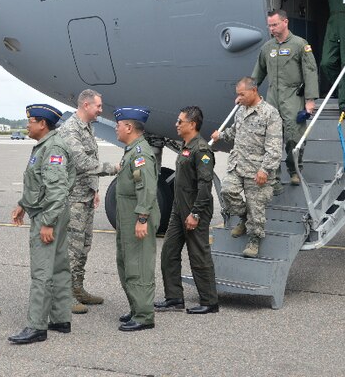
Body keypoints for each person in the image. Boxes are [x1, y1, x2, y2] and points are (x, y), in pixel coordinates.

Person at [9, 104, 75, 344]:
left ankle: (36, 326)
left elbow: (57, 192)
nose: (27, 126)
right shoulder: (46, 146)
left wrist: (47, 222)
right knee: (58, 267)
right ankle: (60, 319)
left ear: (42, 124)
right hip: (49, 212)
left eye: (30, 121)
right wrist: (23, 204)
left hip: (49, 215)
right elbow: (39, 184)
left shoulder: (53, 148)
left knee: (42, 272)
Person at [57, 89, 119, 314]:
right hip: (73, 199)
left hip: (85, 196)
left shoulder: (87, 128)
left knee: (83, 247)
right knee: (71, 249)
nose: (101, 110)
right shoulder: (70, 129)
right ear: (85, 105)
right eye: (98, 107)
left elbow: (90, 161)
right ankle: (65, 295)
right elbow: (82, 162)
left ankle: (77, 288)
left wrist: (94, 189)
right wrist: (114, 168)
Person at [155, 106, 219, 314]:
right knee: (169, 253)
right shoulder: (186, 146)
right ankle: (174, 298)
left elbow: (204, 185)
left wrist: (196, 213)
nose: (176, 124)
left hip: (194, 211)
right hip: (179, 209)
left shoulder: (201, 150)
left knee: (198, 256)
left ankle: (209, 301)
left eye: (180, 121)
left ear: (192, 124)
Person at [211, 77, 282, 258]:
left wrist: (265, 169)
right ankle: (244, 217)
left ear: (254, 90)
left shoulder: (270, 114)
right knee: (227, 191)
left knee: (256, 207)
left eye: (242, 94)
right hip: (238, 164)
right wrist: (221, 135)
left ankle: (254, 239)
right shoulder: (241, 111)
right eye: (238, 95)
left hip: (257, 170)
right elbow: (235, 131)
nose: (238, 98)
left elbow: (274, 147)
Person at [252, 9, 318, 188]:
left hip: (293, 97)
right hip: (273, 97)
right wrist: (247, 93)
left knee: (293, 137)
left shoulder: (299, 45)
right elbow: (258, 72)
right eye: (269, 25)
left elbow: (310, 72)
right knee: (271, 139)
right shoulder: (268, 48)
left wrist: (310, 100)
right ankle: (274, 176)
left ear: (285, 22)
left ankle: (295, 170)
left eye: (274, 24)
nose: (271, 28)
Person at [114, 106, 159, 332]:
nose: (116, 128)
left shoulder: (140, 153)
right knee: (126, 262)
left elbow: (147, 188)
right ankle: (136, 308)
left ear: (129, 127)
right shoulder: (132, 150)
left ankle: (144, 316)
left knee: (139, 265)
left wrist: (142, 218)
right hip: (127, 216)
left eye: (119, 125)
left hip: (137, 217)